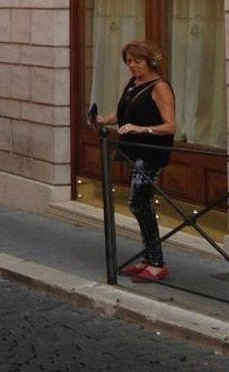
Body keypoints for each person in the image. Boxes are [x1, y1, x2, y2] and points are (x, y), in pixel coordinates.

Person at [91, 40, 176, 284]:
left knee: (139, 203)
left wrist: (142, 129)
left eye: (137, 61)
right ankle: (148, 259)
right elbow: (124, 111)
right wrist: (103, 120)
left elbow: (170, 125)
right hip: (133, 151)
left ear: (150, 61)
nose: (132, 66)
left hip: (151, 152)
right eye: (128, 61)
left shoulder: (159, 87)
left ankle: (157, 263)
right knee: (141, 204)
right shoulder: (134, 84)